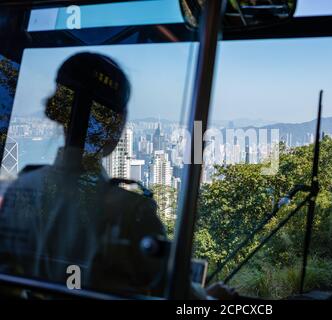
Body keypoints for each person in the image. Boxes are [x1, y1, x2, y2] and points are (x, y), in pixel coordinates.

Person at [0, 52, 235, 299]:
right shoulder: (129, 211)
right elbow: (177, 294)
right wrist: (210, 297)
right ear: (117, 124)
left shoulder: (21, 189)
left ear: (58, 112)